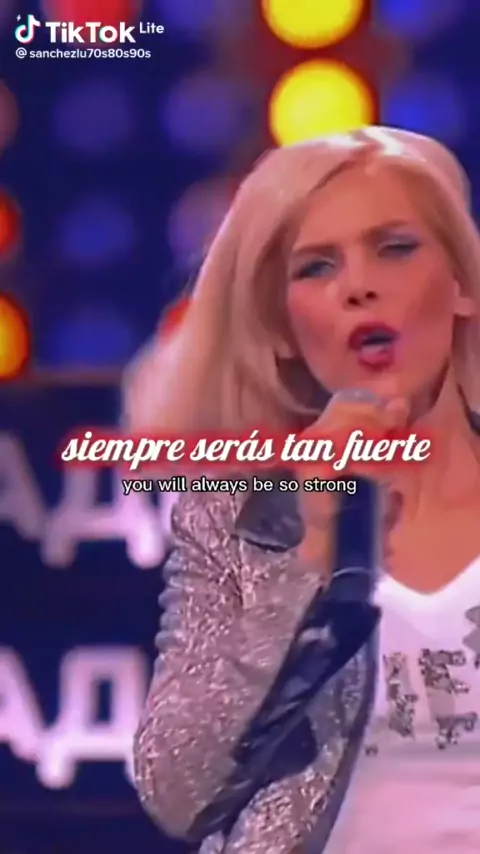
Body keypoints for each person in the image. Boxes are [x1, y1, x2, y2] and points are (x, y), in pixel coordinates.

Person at [126, 127, 480, 854]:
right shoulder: (237, 515)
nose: (359, 286)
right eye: (316, 267)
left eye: (395, 248)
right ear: (282, 329)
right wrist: (305, 556)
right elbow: (177, 794)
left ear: (462, 286)